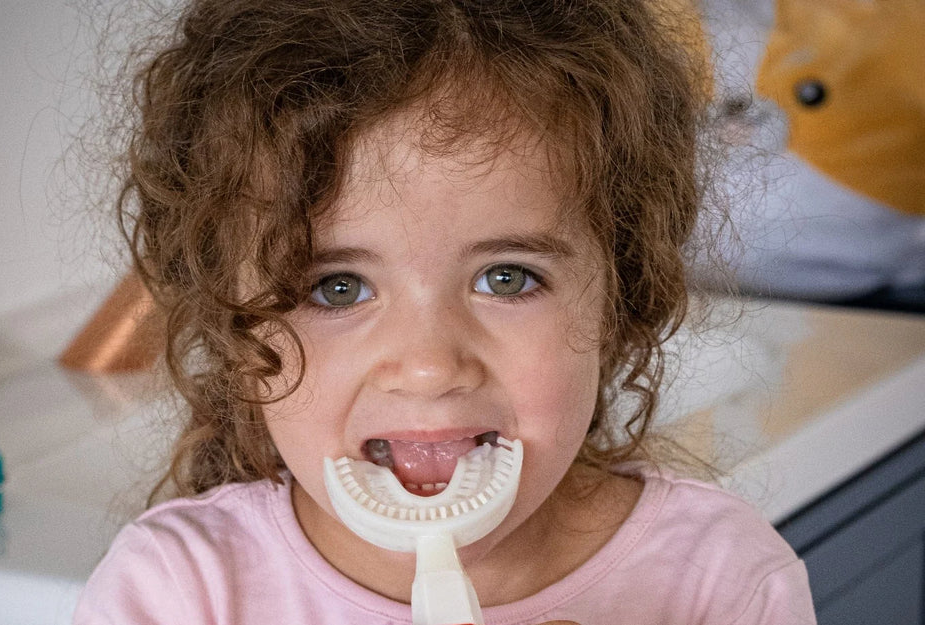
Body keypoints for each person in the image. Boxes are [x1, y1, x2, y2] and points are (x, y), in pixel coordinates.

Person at [73, 1, 816, 623]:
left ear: (620, 296)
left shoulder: (721, 578)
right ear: (235, 329)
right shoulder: (177, 592)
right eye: (337, 288)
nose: (429, 365)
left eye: (506, 276)